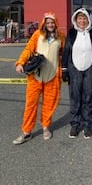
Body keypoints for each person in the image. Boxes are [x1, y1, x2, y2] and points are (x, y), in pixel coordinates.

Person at [13, 12, 65, 145]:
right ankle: (26, 131)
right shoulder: (37, 35)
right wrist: (20, 63)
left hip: (52, 76)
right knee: (31, 104)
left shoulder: (61, 37)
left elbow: (66, 53)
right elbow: (28, 49)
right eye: (47, 23)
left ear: (56, 23)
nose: (50, 25)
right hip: (35, 76)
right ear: (44, 23)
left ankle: (46, 127)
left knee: (49, 104)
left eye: (52, 22)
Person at [61, 8, 92, 139]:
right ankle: (75, 124)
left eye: (84, 18)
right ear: (75, 19)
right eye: (79, 18)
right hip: (73, 67)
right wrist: (64, 68)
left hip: (91, 67)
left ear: (89, 19)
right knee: (75, 96)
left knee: (88, 97)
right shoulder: (71, 33)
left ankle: (87, 124)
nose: (82, 21)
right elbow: (66, 51)